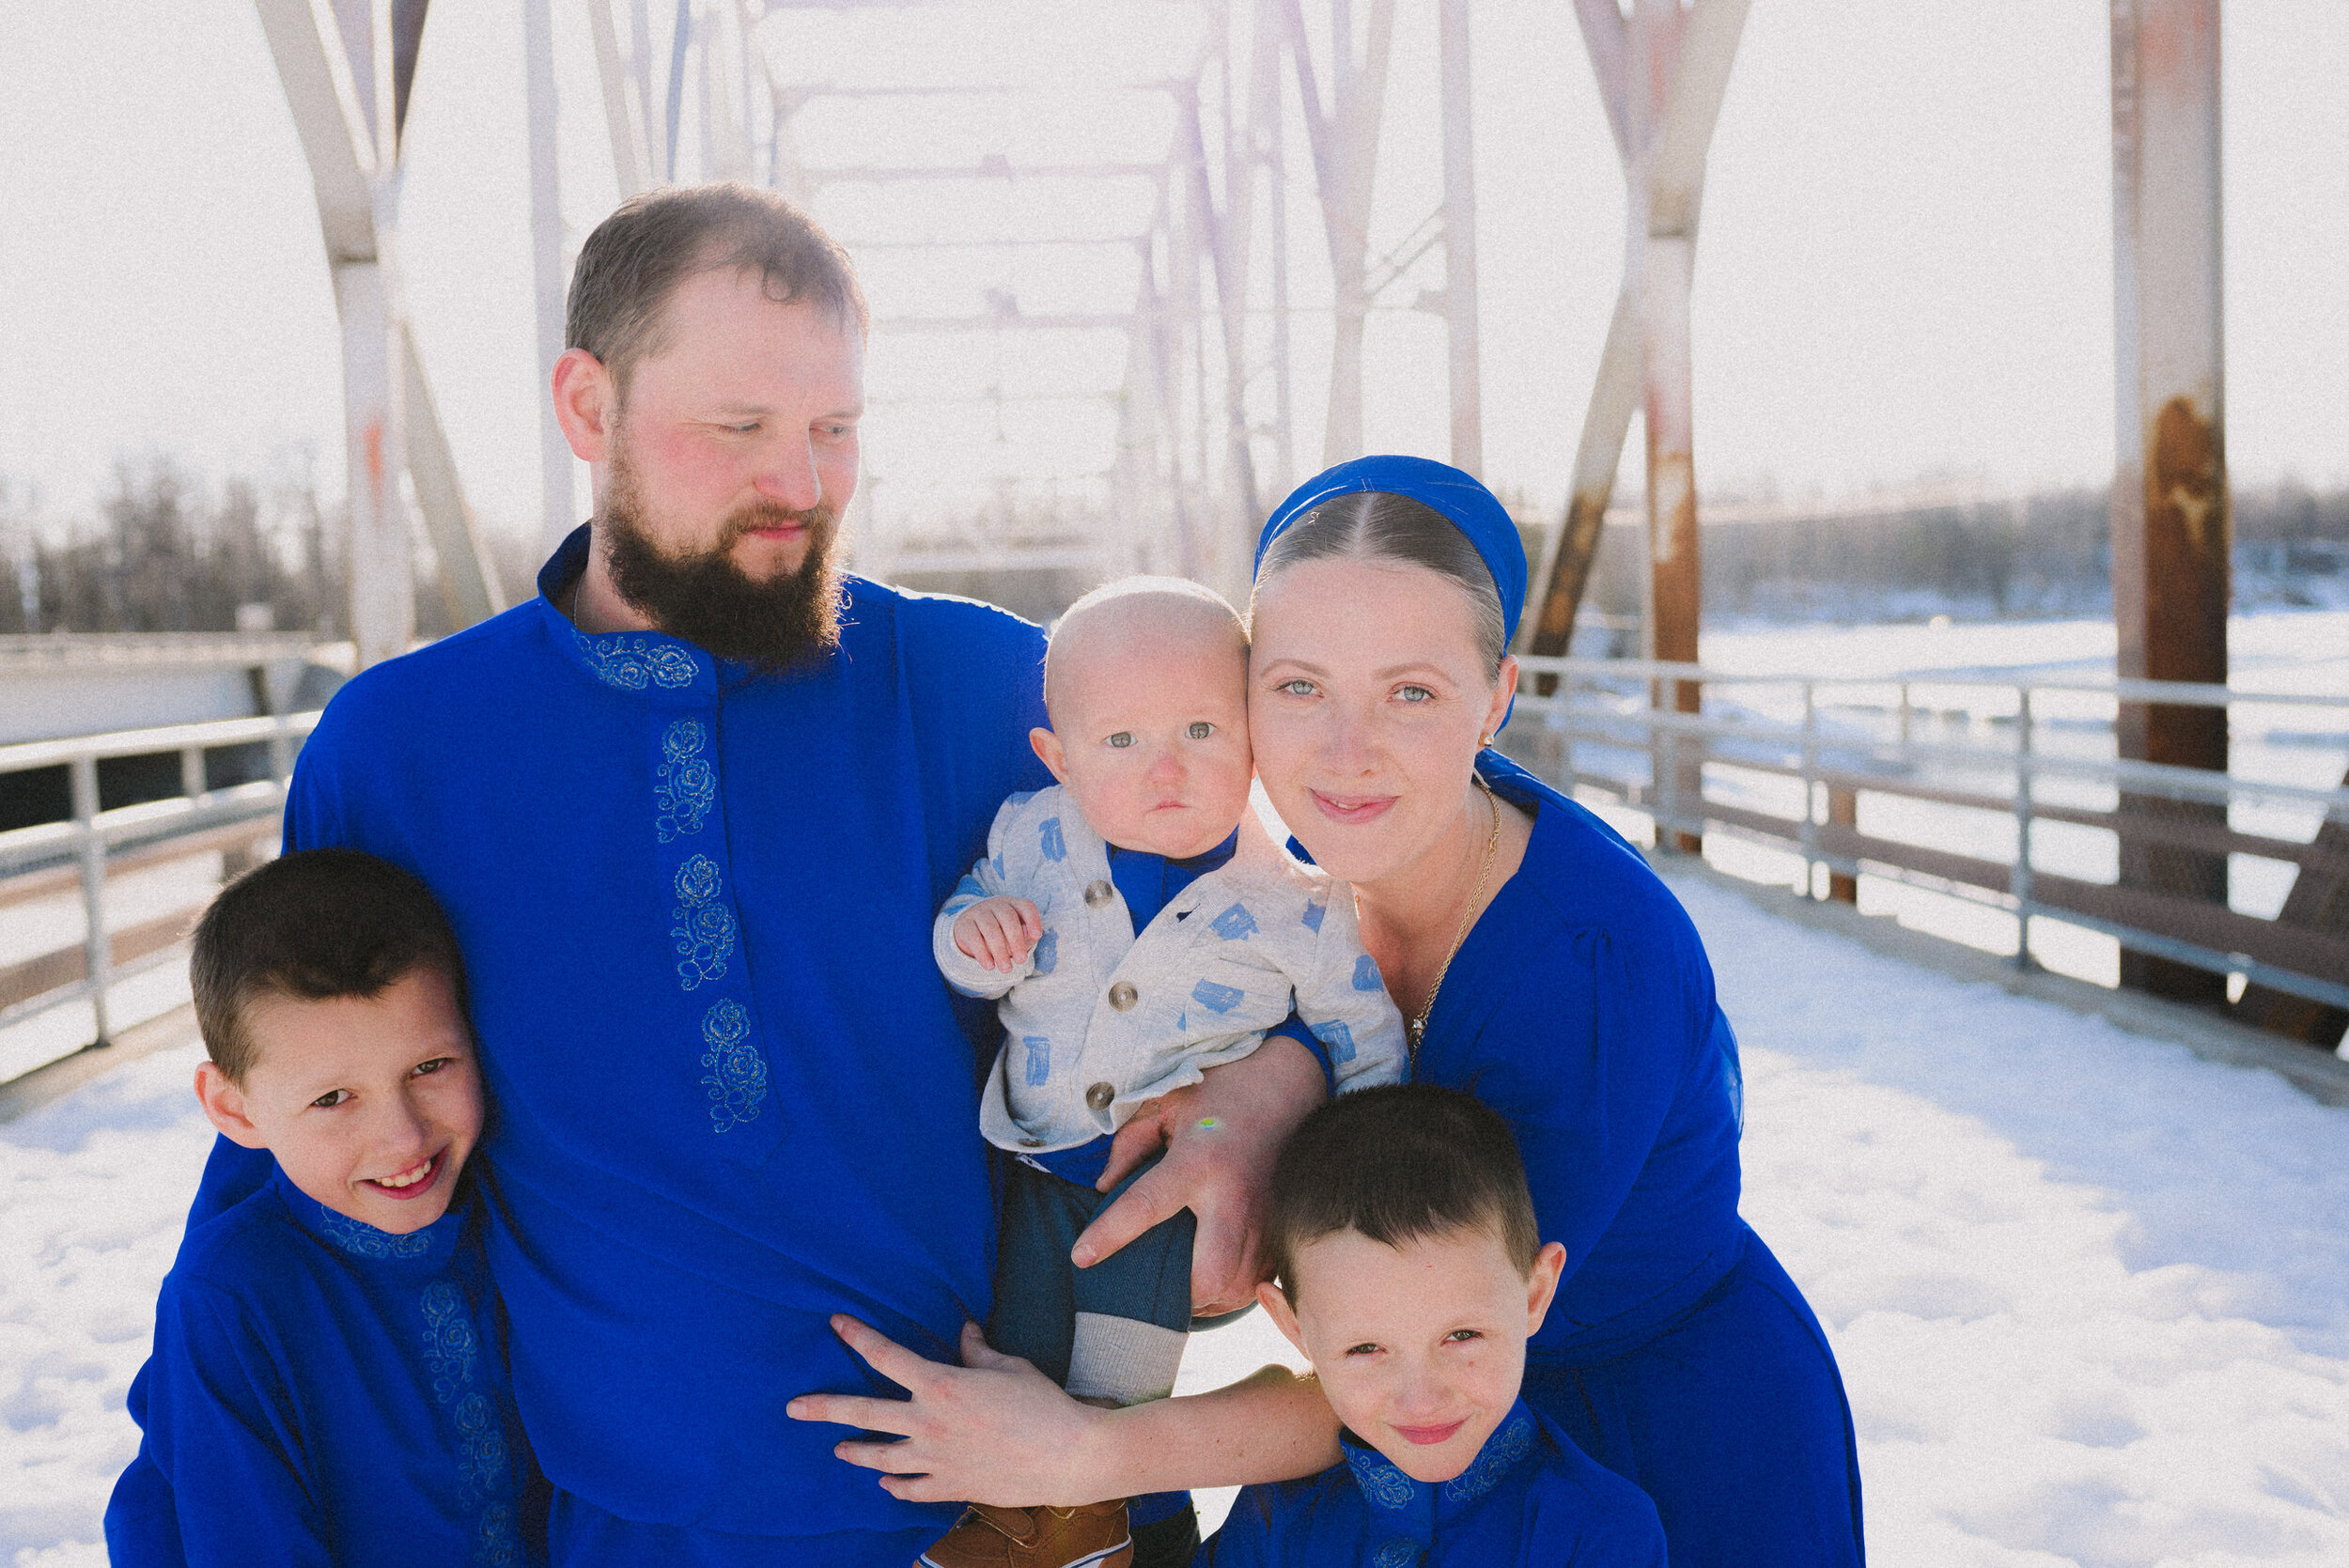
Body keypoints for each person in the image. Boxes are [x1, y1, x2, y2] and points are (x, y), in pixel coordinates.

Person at [129, 182, 1330, 1568]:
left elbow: (1285, 913)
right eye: (742, 428)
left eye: (835, 430)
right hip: (627, 1527)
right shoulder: (401, 751)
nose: (802, 485)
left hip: (1019, 1517)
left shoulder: (995, 685)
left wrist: (1262, 1096)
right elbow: (286, 1187)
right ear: (589, 410)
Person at [796, 457, 1865, 1568]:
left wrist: (1077, 1460)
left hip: (1640, 1438)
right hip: (1392, 1457)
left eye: (1411, 692)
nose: (1344, 754)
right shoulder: (1290, 875)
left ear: (1497, 698)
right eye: (1300, 686)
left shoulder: (1590, 969)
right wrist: (1262, 1086)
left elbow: (1418, 1361)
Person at [926, 579, 1405, 1568]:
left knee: (1119, 1365)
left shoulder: (1297, 904)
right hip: (1038, 1148)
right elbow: (967, 923)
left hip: (1175, 1175)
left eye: (1200, 729)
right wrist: (976, 939)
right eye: (1120, 743)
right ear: (1058, 758)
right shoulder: (1034, 833)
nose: (1166, 770)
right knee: (1024, 1336)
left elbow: (1365, 1036)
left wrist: (1343, 1184)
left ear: (1253, 741)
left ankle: (1085, 1508)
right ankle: (1096, 1525)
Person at [104, 850, 545, 1567]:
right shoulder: (232, 1295)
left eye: (430, 1067)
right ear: (233, 1108)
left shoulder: (521, 1217)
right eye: (333, 1098)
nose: (402, 1137)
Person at [1199, 1083, 1666, 1566]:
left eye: (1462, 1336)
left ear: (1535, 1295)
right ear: (1293, 1327)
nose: (1421, 1401)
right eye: (1365, 1349)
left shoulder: (1599, 1533)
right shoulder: (1275, 1515)